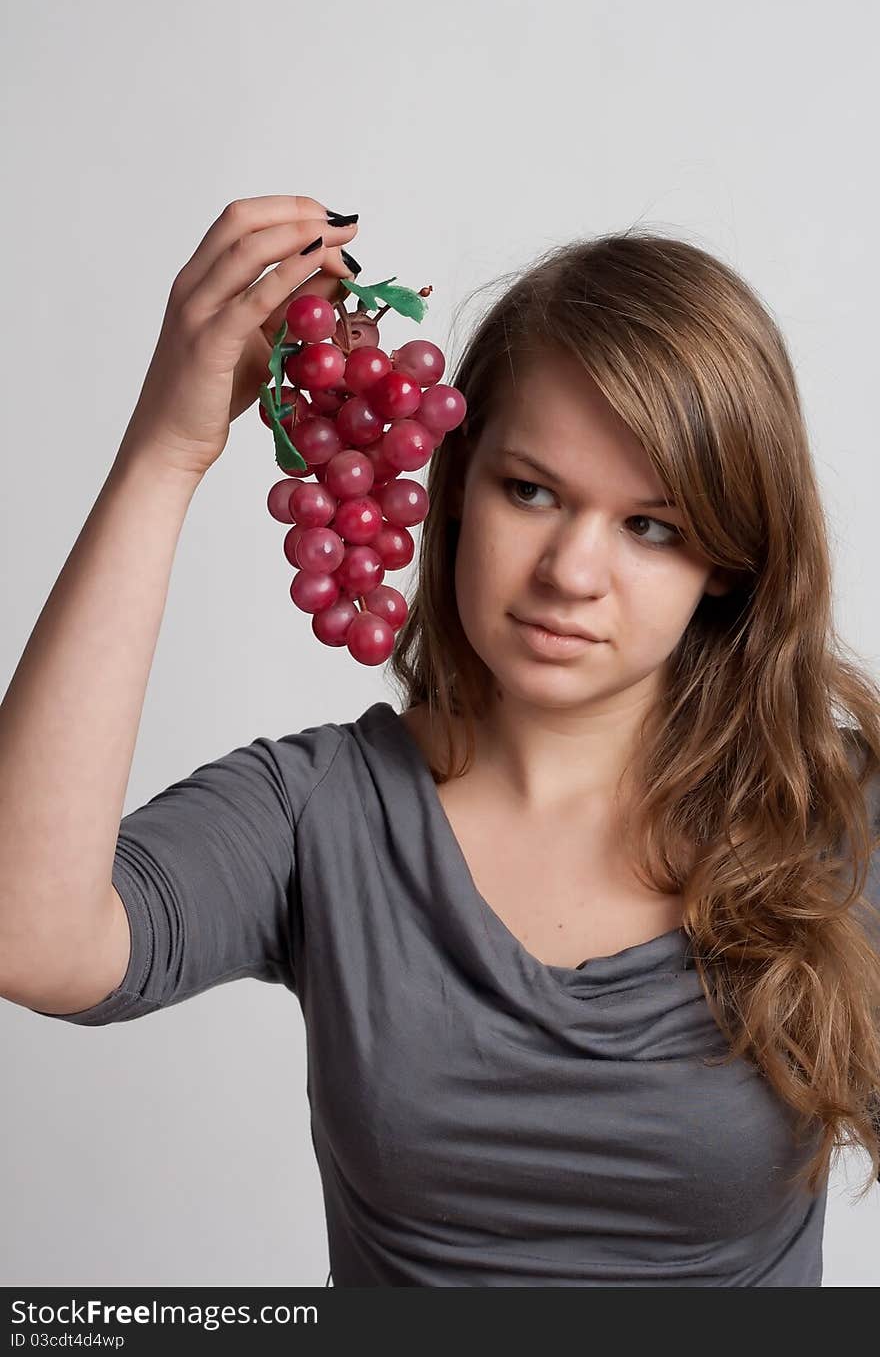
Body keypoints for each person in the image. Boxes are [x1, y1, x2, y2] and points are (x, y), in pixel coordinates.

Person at [1, 194, 879, 1288]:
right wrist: (168, 452)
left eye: (650, 525)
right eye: (531, 491)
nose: (570, 569)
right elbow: (28, 935)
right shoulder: (317, 807)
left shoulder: (840, 820)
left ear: (728, 562)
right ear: (454, 490)